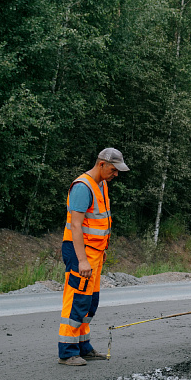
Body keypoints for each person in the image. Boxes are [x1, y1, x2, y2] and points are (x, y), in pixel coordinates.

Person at [58, 148, 129, 366]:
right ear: (101, 164)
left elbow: (98, 222)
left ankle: (83, 347)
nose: (116, 174)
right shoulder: (82, 186)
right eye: (113, 169)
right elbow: (76, 226)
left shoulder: (102, 185)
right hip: (81, 252)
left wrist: (102, 250)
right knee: (77, 300)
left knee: (90, 302)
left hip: (95, 253)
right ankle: (68, 352)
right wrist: (82, 260)